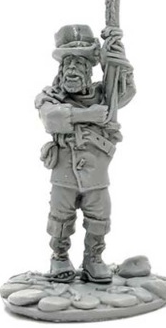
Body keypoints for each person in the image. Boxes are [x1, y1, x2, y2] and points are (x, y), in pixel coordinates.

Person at [36, 24, 135, 283]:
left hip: (96, 172)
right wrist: (88, 115)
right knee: (60, 217)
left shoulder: (103, 94)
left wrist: (118, 58)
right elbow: (51, 118)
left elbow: (126, 92)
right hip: (64, 171)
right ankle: (59, 257)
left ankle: (93, 258)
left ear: (89, 70)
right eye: (68, 63)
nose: (72, 69)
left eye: (79, 64)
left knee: (99, 216)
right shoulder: (50, 96)